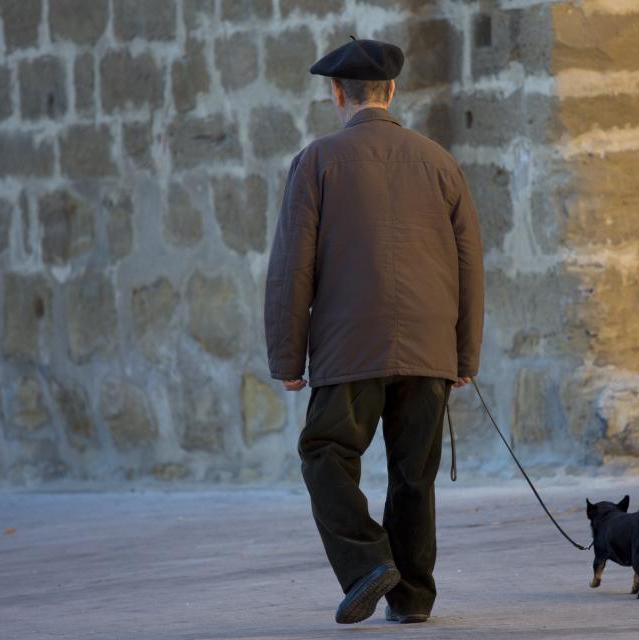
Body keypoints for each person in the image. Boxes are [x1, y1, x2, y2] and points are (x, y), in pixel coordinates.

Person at [263, 37, 485, 625]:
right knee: (414, 474)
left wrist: (287, 358)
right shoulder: (440, 162)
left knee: (325, 453)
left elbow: (293, 268)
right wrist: (465, 354)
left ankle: (366, 564)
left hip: (349, 348)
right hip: (429, 347)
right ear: (392, 91)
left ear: (336, 92)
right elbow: (469, 265)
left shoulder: (317, 162)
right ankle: (411, 599)